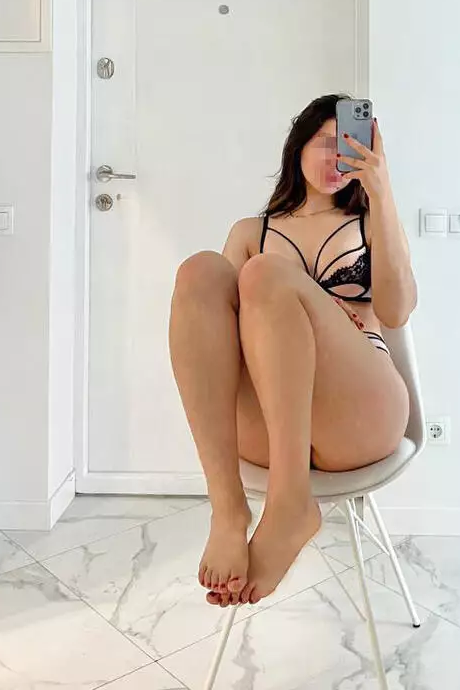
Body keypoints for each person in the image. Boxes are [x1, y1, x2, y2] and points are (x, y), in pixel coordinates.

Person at [168, 93, 417, 608]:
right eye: (327, 143)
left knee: (265, 273)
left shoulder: (370, 223)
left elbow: (396, 313)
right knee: (200, 271)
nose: (338, 157)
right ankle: (228, 509)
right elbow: (220, 343)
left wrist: (382, 192)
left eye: (350, 145)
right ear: (298, 146)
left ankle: (288, 504)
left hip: (358, 413)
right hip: (271, 423)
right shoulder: (250, 233)